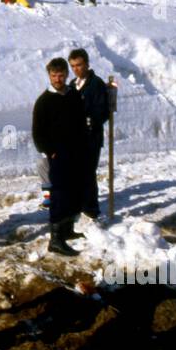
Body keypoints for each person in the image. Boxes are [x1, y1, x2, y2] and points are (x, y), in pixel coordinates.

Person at [32, 57, 89, 256]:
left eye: (61, 75)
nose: (58, 79)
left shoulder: (73, 95)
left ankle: (67, 229)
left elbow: (81, 122)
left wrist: (83, 145)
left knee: (74, 191)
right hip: (57, 155)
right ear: (49, 76)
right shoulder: (44, 101)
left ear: (66, 75)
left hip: (76, 152)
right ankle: (55, 239)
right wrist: (50, 151)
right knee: (58, 194)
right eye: (54, 75)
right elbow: (37, 132)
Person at [69, 48, 110, 223]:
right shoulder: (72, 84)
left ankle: (91, 209)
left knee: (87, 173)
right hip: (74, 138)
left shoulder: (96, 84)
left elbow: (104, 111)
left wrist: (89, 119)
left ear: (87, 64)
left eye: (79, 65)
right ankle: (79, 204)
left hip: (91, 138)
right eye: (73, 66)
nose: (76, 69)